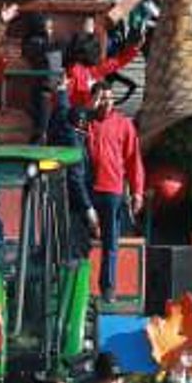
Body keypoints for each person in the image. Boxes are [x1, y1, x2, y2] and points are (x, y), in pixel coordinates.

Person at [85, 89, 145, 299]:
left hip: (113, 191)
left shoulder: (123, 124)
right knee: (82, 241)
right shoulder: (85, 123)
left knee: (110, 242)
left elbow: (133, 160)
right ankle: (82, 287)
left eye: (110, 98)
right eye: (102, 98)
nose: (106, 102)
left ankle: (108, 288)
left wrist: (137, 191)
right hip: (88, 191)